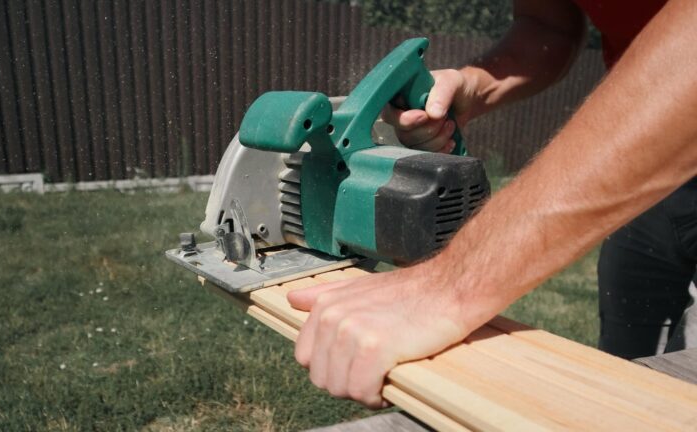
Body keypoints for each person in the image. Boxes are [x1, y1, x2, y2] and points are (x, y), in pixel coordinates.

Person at [286, 0, 697, 409]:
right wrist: (475, 84)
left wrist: (457, 280)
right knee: (618, 383)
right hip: (647, 164)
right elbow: (546, 25)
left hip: (667, 131)